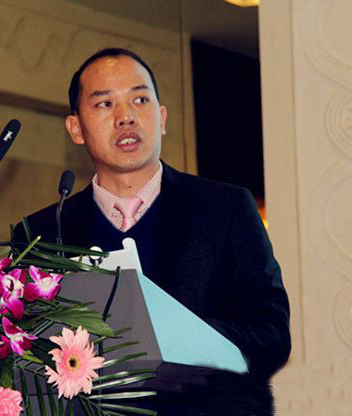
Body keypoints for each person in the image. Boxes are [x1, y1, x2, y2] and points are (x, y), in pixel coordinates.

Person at [14, 48, 290, 415]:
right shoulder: (41, 232)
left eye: (140, 100)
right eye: (105, 104)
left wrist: (175, 338)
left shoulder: (225, 208)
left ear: (161, 118)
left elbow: (272, 337)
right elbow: (21, 352)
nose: (126, 117)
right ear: (76, 129)